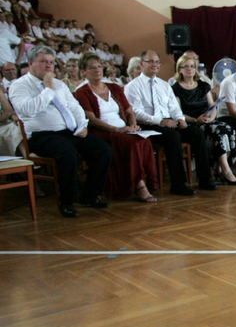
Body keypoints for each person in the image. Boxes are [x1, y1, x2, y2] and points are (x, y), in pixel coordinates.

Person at [9, 45, 112, 217]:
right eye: (43, 62)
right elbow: (27, 110)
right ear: (31, 63)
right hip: (41, 135)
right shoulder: (19, 85)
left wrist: (82, 125)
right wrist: (48, 88)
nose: (49, 66)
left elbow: (75, 107)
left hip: (68, 131)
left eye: (50, 62)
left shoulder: (60, 85)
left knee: (103, 150)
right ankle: (67, 202)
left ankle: (90, 195)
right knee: (68, 154)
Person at [124, 49, 215, 195]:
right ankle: (178, 184)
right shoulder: (132, 86)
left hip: (169, 123)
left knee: (196, 133)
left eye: (157, 62)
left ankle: (205, 179)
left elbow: (173, 106)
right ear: (142, 64)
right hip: (148, 125)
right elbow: (137, 113)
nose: (155, 64)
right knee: (173, 137)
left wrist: (180, 118)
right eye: (150, 61)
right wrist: (161, 121)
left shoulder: (164, 85)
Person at [73, 52, 158, 203]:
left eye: (99, 66)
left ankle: (143, 181)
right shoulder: (82, 92)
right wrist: (117, 129)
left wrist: (133, 125)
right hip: (102, 131)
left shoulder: (114, 87)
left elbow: (129, 111)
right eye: (92, 68)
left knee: (144, 141)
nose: (97, 70)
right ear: (83, 72)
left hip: (123, 129)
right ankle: (139, 185)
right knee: (130, 143)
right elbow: (91, 119)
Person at [171, 53, 236, 185]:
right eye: (186, 66)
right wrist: (196, 120)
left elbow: (212, 106)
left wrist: (211, 118)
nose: (190, 69)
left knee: (227, 128)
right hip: (191, 122)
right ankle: (225, 170)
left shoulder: (203, 85)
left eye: (192, 66)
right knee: (219, 131)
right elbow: (178, 112)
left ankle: (220, 167)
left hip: (208, 120)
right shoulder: (175, 88)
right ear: (180, 69)